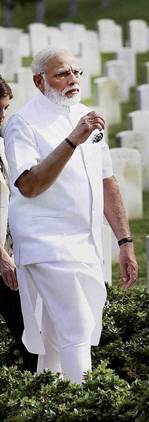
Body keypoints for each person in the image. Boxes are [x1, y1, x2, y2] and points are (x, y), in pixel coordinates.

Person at [3, 47, 138, 384]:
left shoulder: (87, 116)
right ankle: (88, 401)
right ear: (39, 81)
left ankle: (47, 402)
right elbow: (29, 185)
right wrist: (73, 140)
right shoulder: (23, 123)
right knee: (76, 325)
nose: (72, 80)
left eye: (76, 72)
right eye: (62, 73)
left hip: (86, 241)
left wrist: (125, 241)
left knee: (52, 338)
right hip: (46, 241)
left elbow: (106, 179)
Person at [0, 77, 37, 372]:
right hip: (3, 261)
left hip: (11, 256)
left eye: (6, 108)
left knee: (30, 338)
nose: (3, 116)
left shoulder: (2, 145)